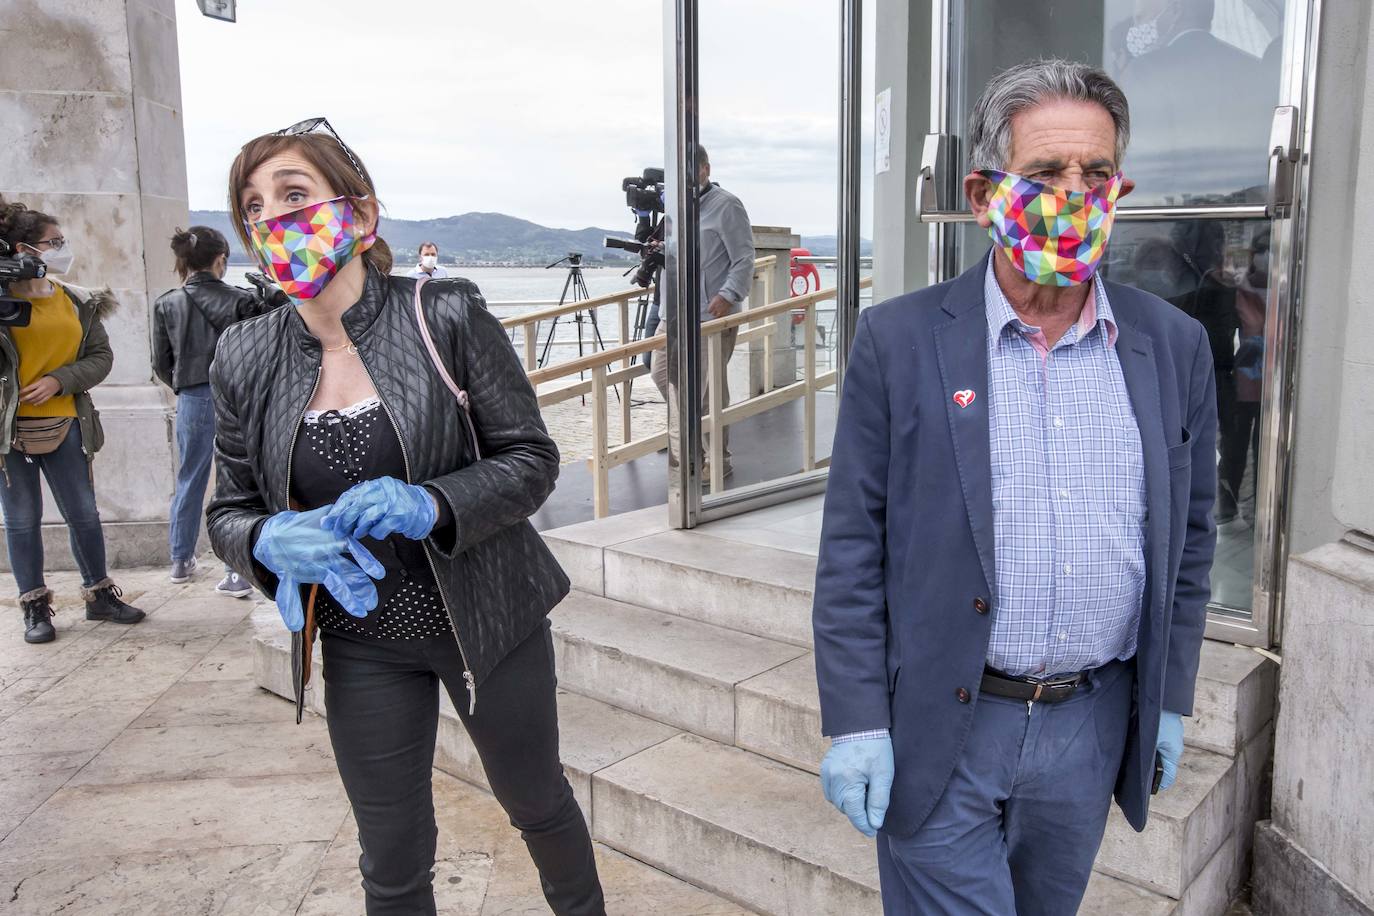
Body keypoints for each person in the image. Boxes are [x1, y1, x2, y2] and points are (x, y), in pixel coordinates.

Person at [812, 60, 1218, 914]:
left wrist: (1168, 698)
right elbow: (853, 544)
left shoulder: (1173, 346)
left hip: (1092, 722)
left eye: (1096, 174)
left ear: (1121, 185)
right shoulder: (899, 339)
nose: (1075, 193)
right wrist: (856, 721)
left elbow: (1192, 540)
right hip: (942, 724)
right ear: (984, 190)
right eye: (1044, 174)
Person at [207, 117, 604, 915]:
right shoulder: (244, 356)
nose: (273, 220)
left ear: (358, 213)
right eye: (254, 207)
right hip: (361, 640)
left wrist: (433, 501)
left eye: (294, 195)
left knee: (537, 803)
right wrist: (265, 540)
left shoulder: (445, 315)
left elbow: (532, 458)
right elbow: (230, 509)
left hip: (489, 621)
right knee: (390, 853)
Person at [0, 199, 147, 644]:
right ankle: (35, 607)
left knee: (83, 513)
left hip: (67, 422)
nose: (62, 249)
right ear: (22, 248)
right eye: (53, 243)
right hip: (10, 431)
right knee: (22, 520)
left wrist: (59, 380)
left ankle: (100, 596)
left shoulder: (77, 299)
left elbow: (100, 357)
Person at [152, 226, 274, 595]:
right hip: (237, 397)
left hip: (192, 397)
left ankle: (180, 559)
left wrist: (185, 384)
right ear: (221, 259)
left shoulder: (166, 303)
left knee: (189, 478)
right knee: (236, 482)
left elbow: (161, 363)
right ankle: (236, 571)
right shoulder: (241, 299)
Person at [649, 143, 754, 477]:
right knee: (661, 373)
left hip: (712, 315)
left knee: (708, 390)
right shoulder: (675, 209)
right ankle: (691, 446)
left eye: (688, 171)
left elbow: (744, 257)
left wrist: (728, 295)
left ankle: (716, 461)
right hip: (675, 313)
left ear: (705, 169)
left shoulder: (727, 206)